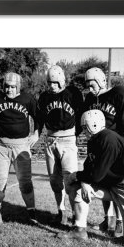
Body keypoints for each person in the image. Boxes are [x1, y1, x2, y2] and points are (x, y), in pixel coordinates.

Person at [65, 110, 124, 247]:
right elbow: (89, 166)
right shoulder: (95, 139)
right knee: (76, 188)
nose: (83, 131)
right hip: (112, 185)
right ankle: (79, 230)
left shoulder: (108, 140)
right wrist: (83, 181)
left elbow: (97, 175)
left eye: (84, 127)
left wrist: (78, 176)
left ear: (92, 125)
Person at [0, 72, 39, 223]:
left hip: (21, 146)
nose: (9, 90)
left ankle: (32, 212)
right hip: (1, 146)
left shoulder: (27, 99)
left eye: (12, 87)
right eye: (7, 86)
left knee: (25, 182)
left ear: (18, 87)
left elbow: (39, 117)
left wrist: (36, 133)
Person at [83, 67, 124, 237]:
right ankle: (108, 219)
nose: (90, 90)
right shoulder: (90, 98)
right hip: (99, 146)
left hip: (115, 145)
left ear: (101, 81)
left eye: (92, 85)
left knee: (117, 183)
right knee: (103, 182)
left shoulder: (118, 92)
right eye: (88, 86)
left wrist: (121, 145)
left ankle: (120, 222)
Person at [37, 65, 84, 225]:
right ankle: (61, 211)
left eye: (56, 82)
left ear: (62, 80)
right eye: (50, 82)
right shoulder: (44, 97)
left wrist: (74, 135)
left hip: (68, 139)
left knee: (71, 180)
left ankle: (77, 218)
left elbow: (81, 116)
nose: (52, 86)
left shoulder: (73, 93)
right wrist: (36, 133)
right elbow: (40, 119)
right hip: (50, 139)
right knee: (54, 181)